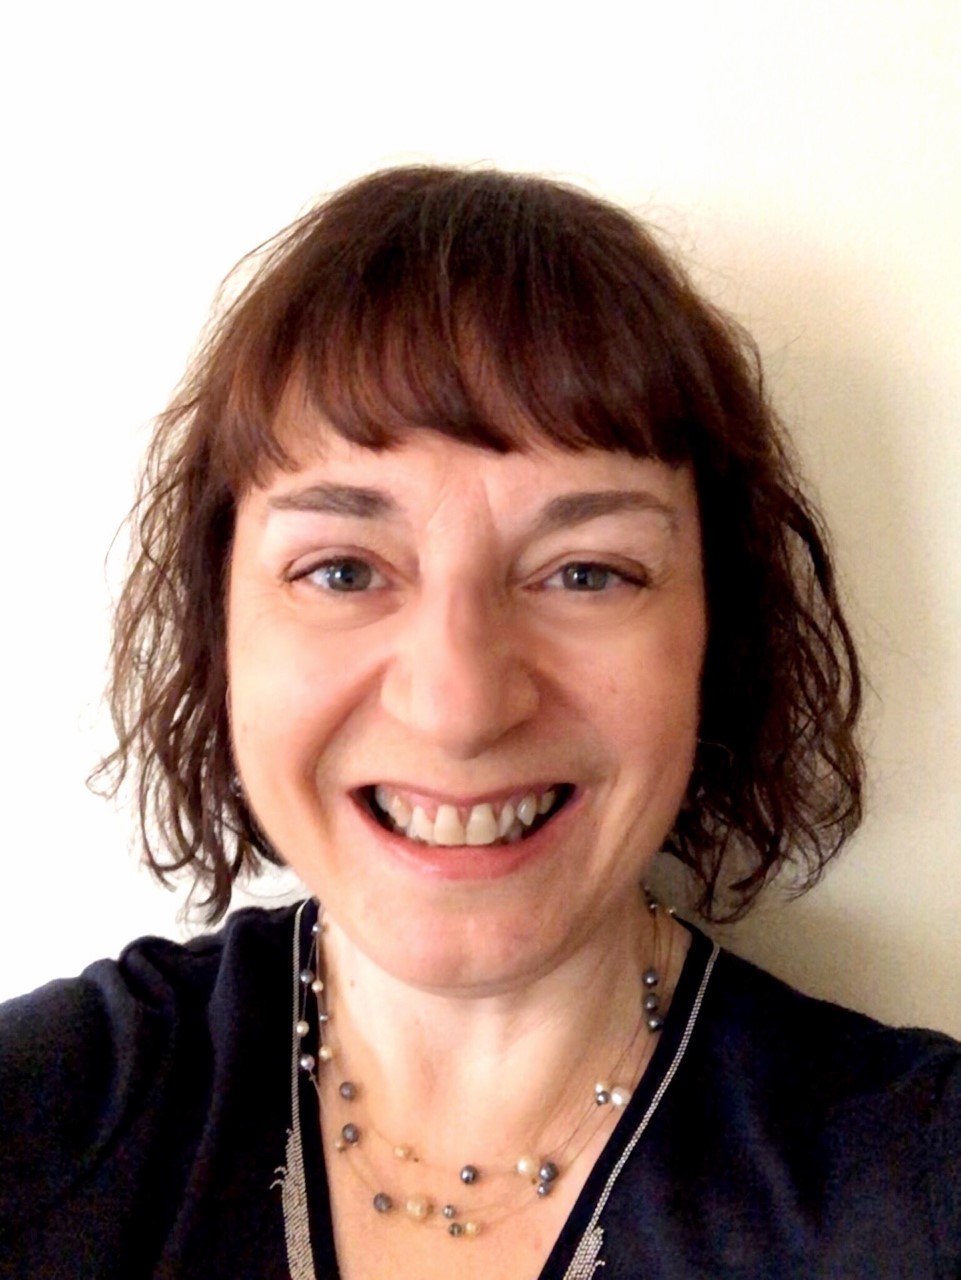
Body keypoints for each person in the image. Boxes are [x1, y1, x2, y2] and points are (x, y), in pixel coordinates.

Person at [0, 166, 958, 1280]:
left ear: (717, 637)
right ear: (221, 629)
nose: (458, 706)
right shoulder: (37, 1129)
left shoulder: (918, 1192)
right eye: (344, 567)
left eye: (586, 571)